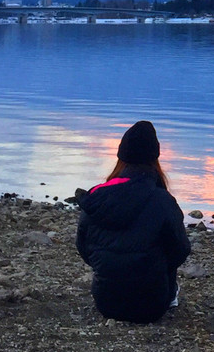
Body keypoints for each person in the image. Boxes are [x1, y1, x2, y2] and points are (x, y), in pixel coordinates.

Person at [75, 120, 191, 323]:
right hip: (152, 306)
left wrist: (106, 265)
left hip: (106, 302)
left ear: (121, 158)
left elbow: (83, 245)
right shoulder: (162, 200)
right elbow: (180, 249)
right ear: (155, 159)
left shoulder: (98, 196)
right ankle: (169, 294)